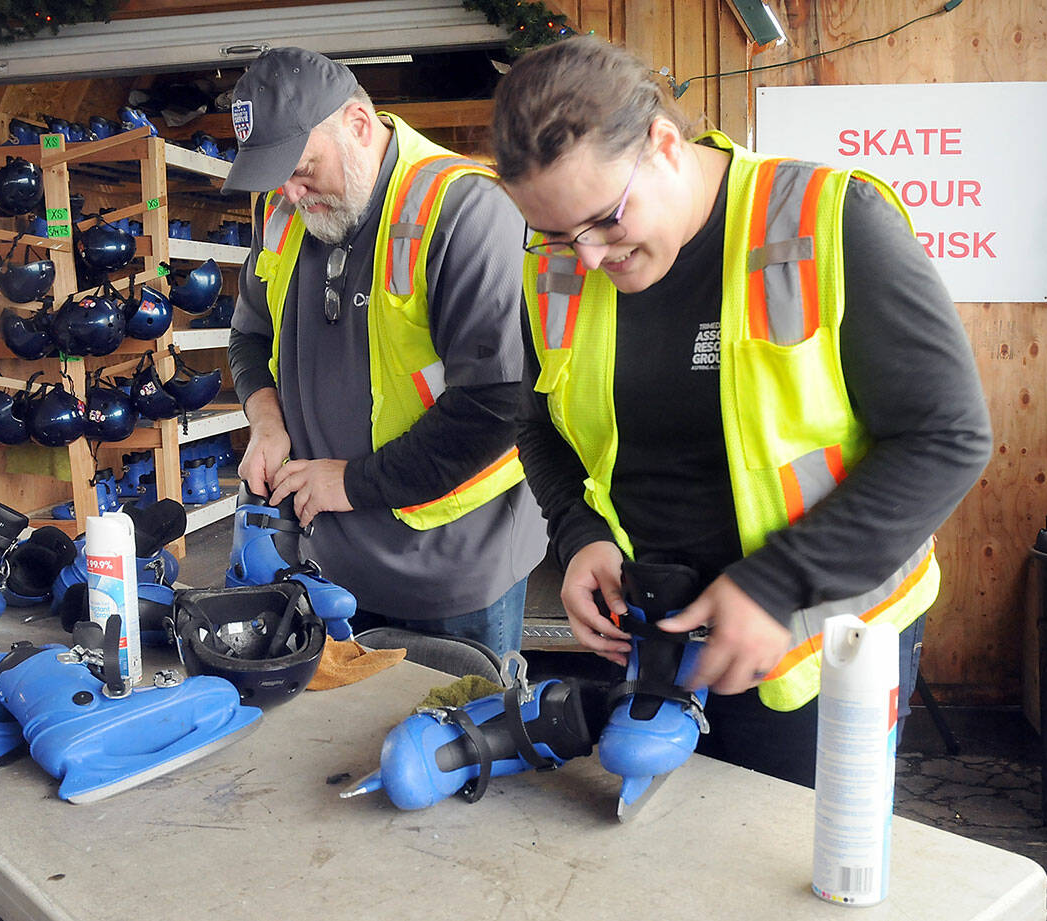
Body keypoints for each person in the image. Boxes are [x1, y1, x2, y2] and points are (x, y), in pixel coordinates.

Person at [490, 36, 992, 785]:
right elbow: (537, 423)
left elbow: (949, 438)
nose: (586, 258)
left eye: (605, 221)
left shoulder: (831, 222)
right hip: (655, 636)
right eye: (558, 234)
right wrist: (579, 533)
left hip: (825, 642)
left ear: (663, 142)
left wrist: (777, 583)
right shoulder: (558, 268)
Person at [222, 47, 546, 658]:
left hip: (451, 569)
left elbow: (499, 406)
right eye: (278, 176)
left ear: (359, 125)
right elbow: (249, 335)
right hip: (330, 565)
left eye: (304, 167)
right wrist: (265, 423)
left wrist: (354, 481)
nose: (292, 192)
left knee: (458, 735)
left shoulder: (466, 212)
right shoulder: (282, 209)